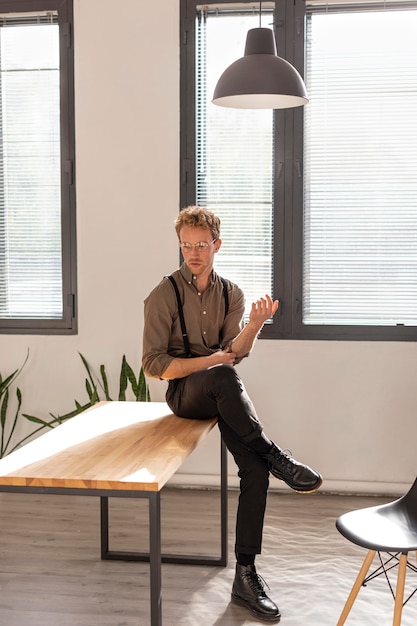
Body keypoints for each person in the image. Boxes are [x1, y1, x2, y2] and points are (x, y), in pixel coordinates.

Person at [142, 205, 322, 622]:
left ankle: (245, 575)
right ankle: (277, 454)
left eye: (201, 245)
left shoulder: (232, 294)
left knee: (254, 472)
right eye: (186, 246)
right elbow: (154, 365)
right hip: (185, 394)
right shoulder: (163, 295)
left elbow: (234, 354)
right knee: (220, 375)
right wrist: (209, 363)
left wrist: (255, 324)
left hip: (221, 390)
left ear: (216, 245)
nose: (193, 253)